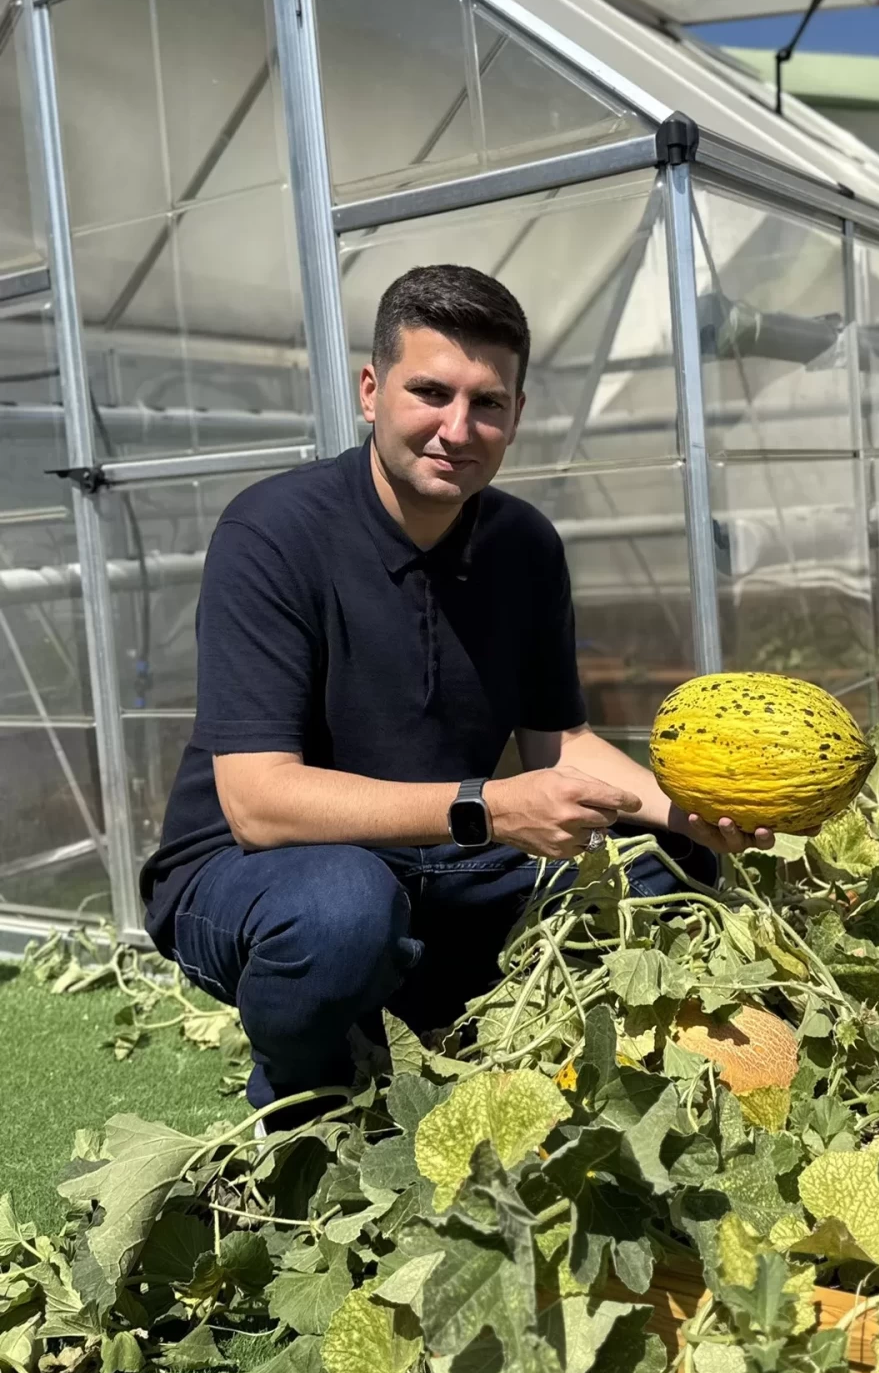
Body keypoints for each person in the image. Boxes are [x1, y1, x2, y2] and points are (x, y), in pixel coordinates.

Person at [140, 264, 775, 1124]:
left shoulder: (526, 546)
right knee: (343, 911)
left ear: (517, 412)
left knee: (667, 862)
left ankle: (438, 1017)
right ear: (372, 390)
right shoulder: (272, 532)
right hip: (257, 871)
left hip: (446, 853)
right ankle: (302, 1106)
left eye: (487, 403)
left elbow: (557, 740)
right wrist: (489, 806)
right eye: (431, 392)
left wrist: (685, 812)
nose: (457, 428)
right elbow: (257, 802)